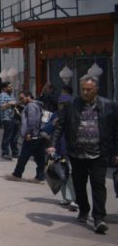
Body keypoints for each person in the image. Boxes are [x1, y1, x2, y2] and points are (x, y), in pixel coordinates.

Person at [48, 75, 118, 235]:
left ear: (96, 90)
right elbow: (61, 125)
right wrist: (53, 144)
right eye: (83, 89)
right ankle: (84, 209)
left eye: (89, 89)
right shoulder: (72, 105)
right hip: (77, 153)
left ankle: (99, 217)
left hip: (99, 154)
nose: (85, 92)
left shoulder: (109, 106)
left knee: (98, 185)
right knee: (79, 185)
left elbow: (116, 131)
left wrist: (116, 153)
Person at [7, 91, 47, 184]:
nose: (21, 100)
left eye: (22, 98)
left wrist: (29, 133)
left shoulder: (31, 106)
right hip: (38, 136)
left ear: (28, 96)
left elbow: (32, 120)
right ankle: (40, 177)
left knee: (24, 156)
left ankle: (17, 174)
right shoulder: (36, 105)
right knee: (40, 157)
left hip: (32, 136)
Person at [0, 81, 19, 160]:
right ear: (4, 88)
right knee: (7, 136)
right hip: (7, 118)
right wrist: (9, 103)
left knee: (15, 136)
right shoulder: (2, 95)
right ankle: (5, 152)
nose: (11, 88)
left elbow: (14, 104)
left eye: (11, 86)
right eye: (9, 87)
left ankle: (15, 152)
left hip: (14, 117)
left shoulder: (11, 95)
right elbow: (1, 107)